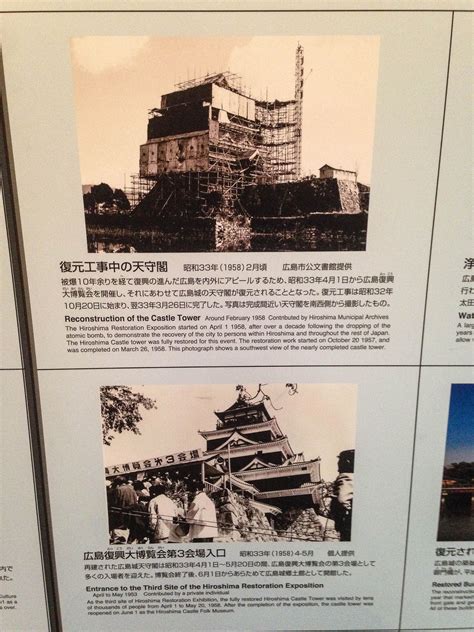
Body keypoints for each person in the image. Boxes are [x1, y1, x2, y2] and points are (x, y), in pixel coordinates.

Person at [330, 449, 354, 542]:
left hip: (347, 523)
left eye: (339, 461)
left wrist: (342, 518)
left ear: (347, 462)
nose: (338, 465)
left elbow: (342, 500)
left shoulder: (346, 476)